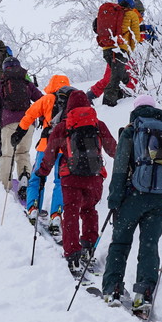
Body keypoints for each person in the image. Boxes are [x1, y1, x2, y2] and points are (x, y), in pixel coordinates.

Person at [101, 95, 162, 310]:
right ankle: (144, 294)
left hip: (132, 197)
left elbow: (120, 168)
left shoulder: (131, 131)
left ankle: (112, 289)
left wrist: (114, 200)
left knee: (121, 244)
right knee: (149, 246)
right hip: (159, 198)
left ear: (135, 110)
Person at [37, 90, 117, 275]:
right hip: (94, 177)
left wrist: (42, 172)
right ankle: (89, 248)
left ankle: (72, 255)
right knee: (90, 211)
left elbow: (49, 154)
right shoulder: (98, 124)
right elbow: (113, 149)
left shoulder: (63, 127)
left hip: (70, 177)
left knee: (71, 214)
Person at [16, 74, 74, 236]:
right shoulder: (73, 100)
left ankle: (33, 208)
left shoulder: (47, 99)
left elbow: (29, 115)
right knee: (60, 181)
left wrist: (19, 131)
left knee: (37, 178)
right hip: (65, 148)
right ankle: (56, 216)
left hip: (46, 146)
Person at [0, 57, 42, 192]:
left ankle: (5, 186)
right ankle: (25, 178)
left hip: (8, 122)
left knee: (7, 154)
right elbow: (41, 100)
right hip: (28, 122)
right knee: (23, 152)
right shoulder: (26, 83)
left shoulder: (2, 83)